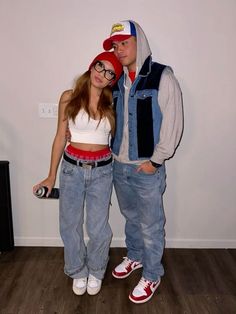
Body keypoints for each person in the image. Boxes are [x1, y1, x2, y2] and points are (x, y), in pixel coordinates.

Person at [102, 20, 183, 304]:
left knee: (151, 224)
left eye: (124, 43)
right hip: (119, 166)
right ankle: (135, 256)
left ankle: (152, 273)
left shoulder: (162, 77)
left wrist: (156, 161)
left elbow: (172, 123)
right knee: (131, 218)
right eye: (115, 45)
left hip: (146, 168)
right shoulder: (116, 81)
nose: (119, 49)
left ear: (140, 42)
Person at [33, 52, 123, 296]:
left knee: (98, 228)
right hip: (72, 169)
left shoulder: (112, 102)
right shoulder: (69, 97)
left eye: (109, 73)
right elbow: (60, 137)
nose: (101, 74)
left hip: (103, 171)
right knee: (70, 225)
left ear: (112, 80)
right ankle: (77, 270)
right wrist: (51, 176)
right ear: (92, 65)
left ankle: (96, 269)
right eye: (99, 66)